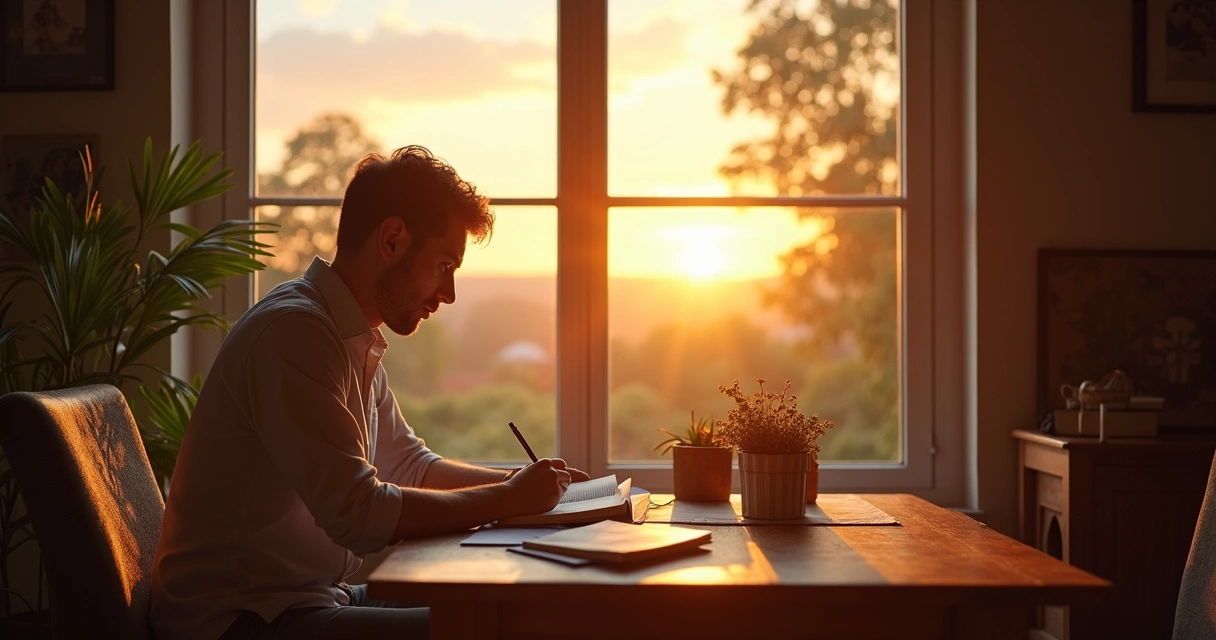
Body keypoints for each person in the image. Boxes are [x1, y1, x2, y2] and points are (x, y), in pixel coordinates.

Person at [150, 145, 588, 640]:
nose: (449, 294)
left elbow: (410, 467)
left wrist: (518, 484)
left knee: (507, 603)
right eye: (445, 265)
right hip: (239, 621)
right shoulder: (295, 333)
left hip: (309, 598)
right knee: (491, 627)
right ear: (393, 239)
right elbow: (358, 515)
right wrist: (506, 498)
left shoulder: (347, 335)